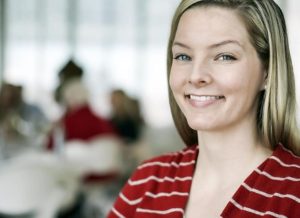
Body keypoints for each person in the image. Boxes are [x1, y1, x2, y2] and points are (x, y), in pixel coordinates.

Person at [108, 0, 300, 217]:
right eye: (183, 56)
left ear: (267, 72)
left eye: (225, 56)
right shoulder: (147, 181)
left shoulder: (294, 194)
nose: (196, 75)